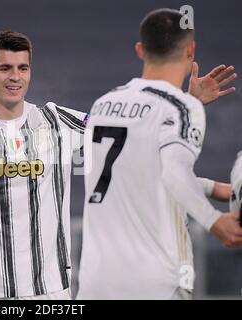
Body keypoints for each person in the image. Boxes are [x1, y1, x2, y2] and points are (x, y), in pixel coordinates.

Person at [0, 30, 236, 300]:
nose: (15, 77)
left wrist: (189, 103)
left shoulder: (57, 120)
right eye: (5, 68)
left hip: (52, 293)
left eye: (23, 68)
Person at [77, 8, 242, 300]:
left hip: (96, 284)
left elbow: (139, 173)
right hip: (155, 284)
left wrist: (211, 187)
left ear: (140, 50)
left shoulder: (103, 104)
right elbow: (174, 172)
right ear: (190, 50)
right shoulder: (181, 108)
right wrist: (214, 221)